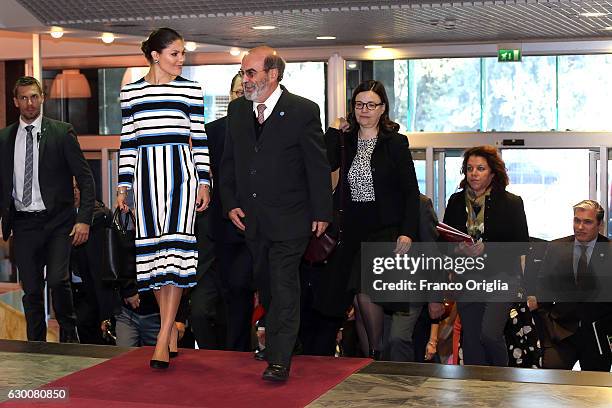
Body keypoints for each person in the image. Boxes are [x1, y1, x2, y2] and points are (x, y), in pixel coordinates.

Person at [220, 46, 332, 382]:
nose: (246, 79)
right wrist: (229, 203)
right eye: (243, 73)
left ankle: (279, 359)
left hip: (292, 218)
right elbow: (229, 163)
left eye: (252, 72)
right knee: (267, 285)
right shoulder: (238, 111)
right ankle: (284, 341)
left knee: (284, 286)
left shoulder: (302, 110)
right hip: (253, 220)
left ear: (273, 74)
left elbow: (317, 165)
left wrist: (321, 210)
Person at [116, 27, 210, 369]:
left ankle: (163, 333)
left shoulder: (190, 89)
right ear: (155, 55)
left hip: (181, 179)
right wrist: (122, 186)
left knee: (177, 258)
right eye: (175, 54)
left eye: (183, 54)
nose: (181, 60)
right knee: (156, 260)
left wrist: (204, 181)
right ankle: (168, 329)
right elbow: (127, 143)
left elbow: (198, 138)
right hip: (145, 181)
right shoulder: (130, 93)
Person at [313, 79, 420, 360]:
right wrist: (334, 131)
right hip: (349, 229)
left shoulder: (395, 143)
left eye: (371, 105)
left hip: (383, 229)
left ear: (382, 108)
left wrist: (407, 232)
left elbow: (410, 191)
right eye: (359, 104)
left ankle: (377, 353)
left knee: (366, 293)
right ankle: (368, 359)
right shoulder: (345, 139)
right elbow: (323, 162)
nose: (364, 110)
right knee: (357, 303)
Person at [0, 76, 95, 342]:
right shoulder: (5, 138)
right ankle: (36, 347)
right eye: (24, 98)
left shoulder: (61, 132)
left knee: (57, 280)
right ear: (15, 101)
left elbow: (86, 180)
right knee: (30, 291)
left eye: (34, 96)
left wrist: (84, 219)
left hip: (58, 223)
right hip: (23, 224)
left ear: (42, 98)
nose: (30, 103)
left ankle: (69, 336)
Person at [443, 145, 529, 366]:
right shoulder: (455, 201)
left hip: (501, 276)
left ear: (492, 172)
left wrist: (486, 248)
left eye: (480, 168)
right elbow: (443, 242)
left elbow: (521, 245)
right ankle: (475, 392)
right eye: (470, 168)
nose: (474, 173)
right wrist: (458, 249)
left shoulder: (511, 202)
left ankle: (503, 382)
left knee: (489, 334)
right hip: (467, 279)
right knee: (471, 340)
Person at [202, 73, 254, 351]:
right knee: (230, 291)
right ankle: (232, 351)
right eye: (236, 91)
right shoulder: (213, 131)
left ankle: (245, 347)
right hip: (224, 225)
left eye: (245, 90)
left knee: (245, 287)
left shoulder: (263, 126)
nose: (240, 95)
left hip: (259, 224)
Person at [531, 200, 612, 371]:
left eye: (587, 222)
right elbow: (542, 292)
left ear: (600, 225)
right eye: (577, 220)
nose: (580, 227)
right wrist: (549, 328)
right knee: (551, 383)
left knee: (595, 392)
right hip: (560, 332)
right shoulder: (556, 248)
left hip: (597, 334)